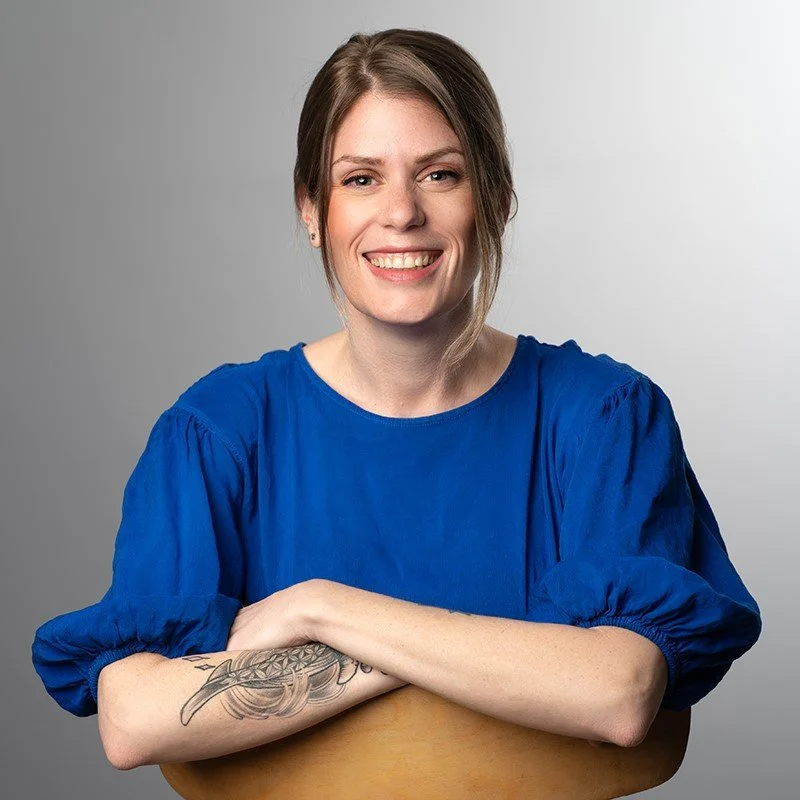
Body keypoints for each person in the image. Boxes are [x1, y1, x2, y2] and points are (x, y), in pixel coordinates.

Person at [32, 28, 761, 771]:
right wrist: (504, 662)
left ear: (498, 198)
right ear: (312, 210)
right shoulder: (219, 431)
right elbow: (136, 720)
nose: (402, 213)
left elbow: (618, 692)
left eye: (441, 175)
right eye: (360, 179)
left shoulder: (605, 420)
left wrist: (323, 608)